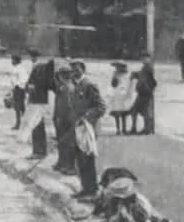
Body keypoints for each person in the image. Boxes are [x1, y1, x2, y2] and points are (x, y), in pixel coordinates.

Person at [71, 61, 107, 199]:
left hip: (88, 127)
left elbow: (101, 107)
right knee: (80, 158)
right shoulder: (76, 86)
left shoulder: (89, 85)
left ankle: (91, 189)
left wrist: (87, 116)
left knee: (87, 158)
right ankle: (85, 188)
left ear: (83, 70)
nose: (74, 71)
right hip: (78, 127)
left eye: (77, 69)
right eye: (72, 69)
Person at [20, 50, 55, 157]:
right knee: (35, 126)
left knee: (37, 126)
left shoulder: (41, 68)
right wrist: (28, 87)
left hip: (38, 101)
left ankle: (39, 151)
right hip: (35, 100)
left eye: (34, 56)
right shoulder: (38, 67)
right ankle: (38, 151)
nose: (33, 58)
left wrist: (30, 87)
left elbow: (47, 84)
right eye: (32, 56)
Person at [52, 64, 78, 176]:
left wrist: (69, 121)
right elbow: (58, 104)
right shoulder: (62, 87)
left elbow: (69, 107)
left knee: (69, 143)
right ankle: (61, 162)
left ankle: (70, 166)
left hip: (67, 120)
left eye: (60, 75)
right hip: (59, 119)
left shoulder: (69, 88)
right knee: (60, 142)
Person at [129, 54, 158, 135]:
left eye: (146, 58)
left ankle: (145, 129)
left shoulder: (148, 68)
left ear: (148, 59)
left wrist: (148, 88)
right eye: (143, 58)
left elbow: (150, 80)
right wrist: (136, 75)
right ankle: (138, 128)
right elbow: (142, 76)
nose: (144, 60)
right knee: (138, 110)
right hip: (142, 92)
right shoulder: (145, 68)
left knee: (140, 111)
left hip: (145, 93)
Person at [107, 61, 134, 135]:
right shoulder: (115, 74)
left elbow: (129, 85)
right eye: (116, 67)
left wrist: (128, 94)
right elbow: (113, 84)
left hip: (123, 95)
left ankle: (124, 129)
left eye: (118, 67)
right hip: (117, 94)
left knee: (124, 113)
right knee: (117, 113)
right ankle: (118, 129)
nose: (117, 68)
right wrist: (114, 77)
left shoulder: (127, 75)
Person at [8, 53, 30, 130]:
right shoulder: (16, 68)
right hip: (16, 89)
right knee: (19, 108)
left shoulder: (21, 69)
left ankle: (20, 124)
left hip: (19, 89)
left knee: (19, 108)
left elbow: (24, 79)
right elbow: (13, 80)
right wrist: (11, 90)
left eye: (13, 59)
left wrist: (18, 86)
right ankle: (21, 124)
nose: (12, 61)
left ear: (16, 60)